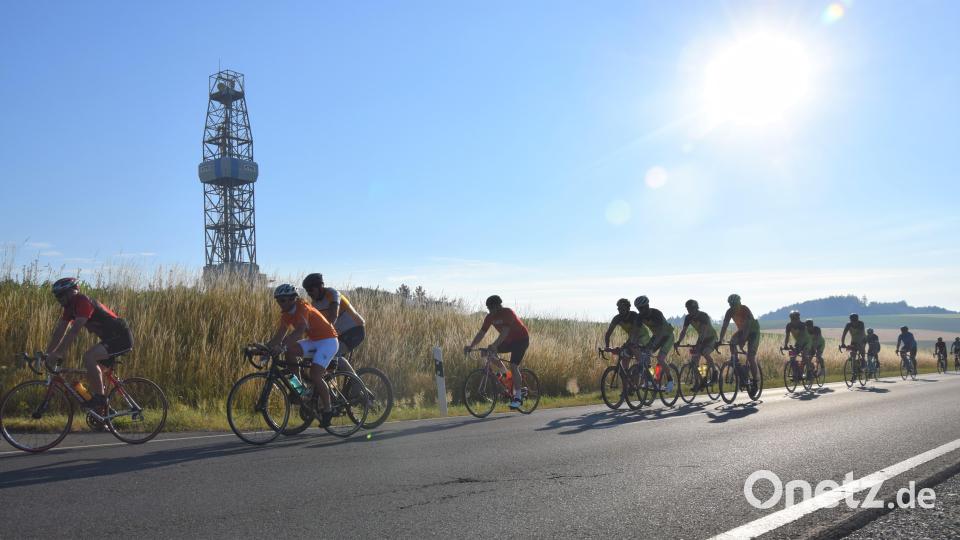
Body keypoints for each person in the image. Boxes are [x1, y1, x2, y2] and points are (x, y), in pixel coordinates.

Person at [43, 277, 134, 412]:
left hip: (121, 337)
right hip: (110, 338)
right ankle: (103, 413)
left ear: (71, 292)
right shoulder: (70, 308)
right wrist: (48, 353)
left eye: (61, 295)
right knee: (94, 376)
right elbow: (60, 331)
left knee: (88, 357)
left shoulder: (83, 301)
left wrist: (58, 353)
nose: (59, 298)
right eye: (57, 296)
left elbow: (74, 330)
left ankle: (100, 400)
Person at [265, 284, 339, 427]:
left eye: (283, 300)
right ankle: (299, 389)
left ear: (293, 299)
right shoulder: (286, 314)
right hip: (314, 341)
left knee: (315, 374)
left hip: (328, 341)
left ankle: (328, 410)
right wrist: (265, 348)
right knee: (289, 351)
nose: (280, 303)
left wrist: (282, 346)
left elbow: (300, 330)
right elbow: (279, 336)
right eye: (278, 300)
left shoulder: (302, 307)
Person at [465, 295, 530, 409]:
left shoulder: (508, 313)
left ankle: (518, 397)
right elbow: (481, 333)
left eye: (492, 308)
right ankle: (508, 376)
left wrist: (494, 345)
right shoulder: (490, 317)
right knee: (485, 352)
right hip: (509, 341)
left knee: (513, 365)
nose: (490, 311)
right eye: (488, 309)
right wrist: (471, 346)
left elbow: (504, 332)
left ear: (499, 306)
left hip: (521, 340)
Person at [302, 273, 366, 370]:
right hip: (338, 334)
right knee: (323, 359)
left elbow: (333, 316)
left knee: (332, 354)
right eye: (307, 291)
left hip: (355, 330)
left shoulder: (332, 294)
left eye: (311, 290)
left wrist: (322, 334)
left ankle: (355, 383)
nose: (309, 293)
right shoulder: (314, 303)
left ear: (320, 287)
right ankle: (330, 383)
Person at [718, 294, 761, 387]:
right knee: (732, 342)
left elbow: (748, 327)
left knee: (750, 356)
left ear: (739, 303)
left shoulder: (745, 309)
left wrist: (742, 341)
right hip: (742, 330)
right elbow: (724, 326)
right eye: (731, 305)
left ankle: (755, 382)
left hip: (753, 332)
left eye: (735, 304)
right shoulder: (729, 312)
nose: (733, 307)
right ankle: (736, 362)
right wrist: (720, 340)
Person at [633, 295, 675, 393]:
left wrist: (651, 346)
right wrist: (633, 343)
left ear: (647, 306)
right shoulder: (640, 316)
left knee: (660, 358)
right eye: (638, 309)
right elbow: (635, 332)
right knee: (645, 356)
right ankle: (652, 380)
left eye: (642, 308)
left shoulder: (656, 314)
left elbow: (661, 332)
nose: (640, 310)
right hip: (656, 336)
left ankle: (670, 381)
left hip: (667, 336)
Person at [675, 299, 718, 391]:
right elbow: (683, 331)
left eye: (691, 309)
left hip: (710, 337)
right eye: (688, 309)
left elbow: (704, 331)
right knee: (694, 362)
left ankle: (715, 372)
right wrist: (678, 342)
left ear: (696, 308)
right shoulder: (688, 318)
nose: (689, 311)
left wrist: (699, 344)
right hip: (701, 338)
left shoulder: (703, 316)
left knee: (705, 353)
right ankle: (699, 382)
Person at [782, 311, 813, 380]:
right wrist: (785, 345)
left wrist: (795, 348)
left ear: (798, 318)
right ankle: (795, 374)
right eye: (792, 319)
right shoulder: (789, 325)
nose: (793, 320)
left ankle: (809, 372)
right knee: (792, 357)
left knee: (804, 355)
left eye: (795, 318)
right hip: (798, 342)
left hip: (807, 342)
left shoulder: (802, 325)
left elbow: (801, 338)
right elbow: (787, 336)